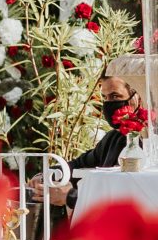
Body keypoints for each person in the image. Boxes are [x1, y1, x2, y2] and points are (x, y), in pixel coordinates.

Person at [38, 75, 138, 212]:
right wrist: (45, 176)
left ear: (135, 99)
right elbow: (78, 164)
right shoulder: (113, 137)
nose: (108, 104)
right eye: (105, 97)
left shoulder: (145, 142)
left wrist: (70, 197)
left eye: (115, 96)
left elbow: (126, 195)